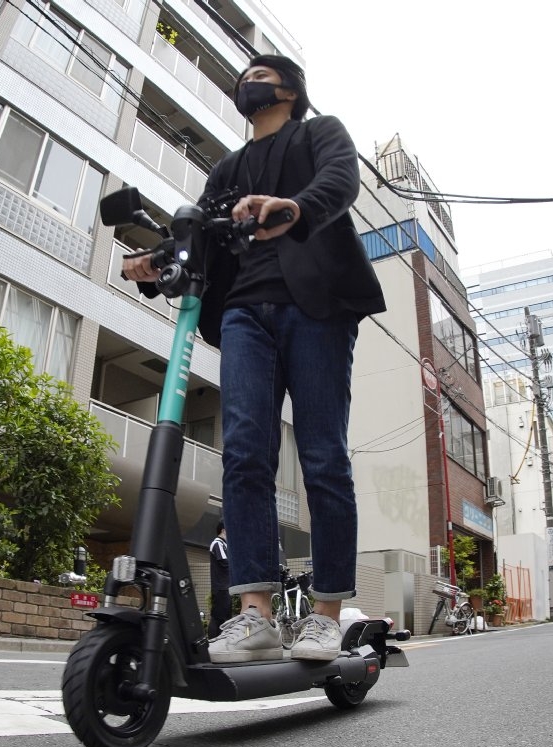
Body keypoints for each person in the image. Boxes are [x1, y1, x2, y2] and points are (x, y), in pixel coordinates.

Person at [124, 53, 385, 663]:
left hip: (315, 306)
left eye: (261, 76)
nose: (249, 83)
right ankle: (256, 615)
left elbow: (339, 183)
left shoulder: (320, 133)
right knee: (244, 454)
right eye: (243, 79)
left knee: (323, 456)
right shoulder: (228, 169)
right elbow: (196, 235)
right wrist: (156, 260)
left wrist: (293, 208)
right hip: (243, 311)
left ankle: (324, 615)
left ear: (291, 90)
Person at [207, 521, 230, 638]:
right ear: (223, 530)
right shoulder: (217, 543)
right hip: (221, 586)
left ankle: (214, 640)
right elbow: (224, 562)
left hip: (223, 586)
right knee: (220, 617)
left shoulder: (223, 544)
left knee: (220, 616)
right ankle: (214, 640)